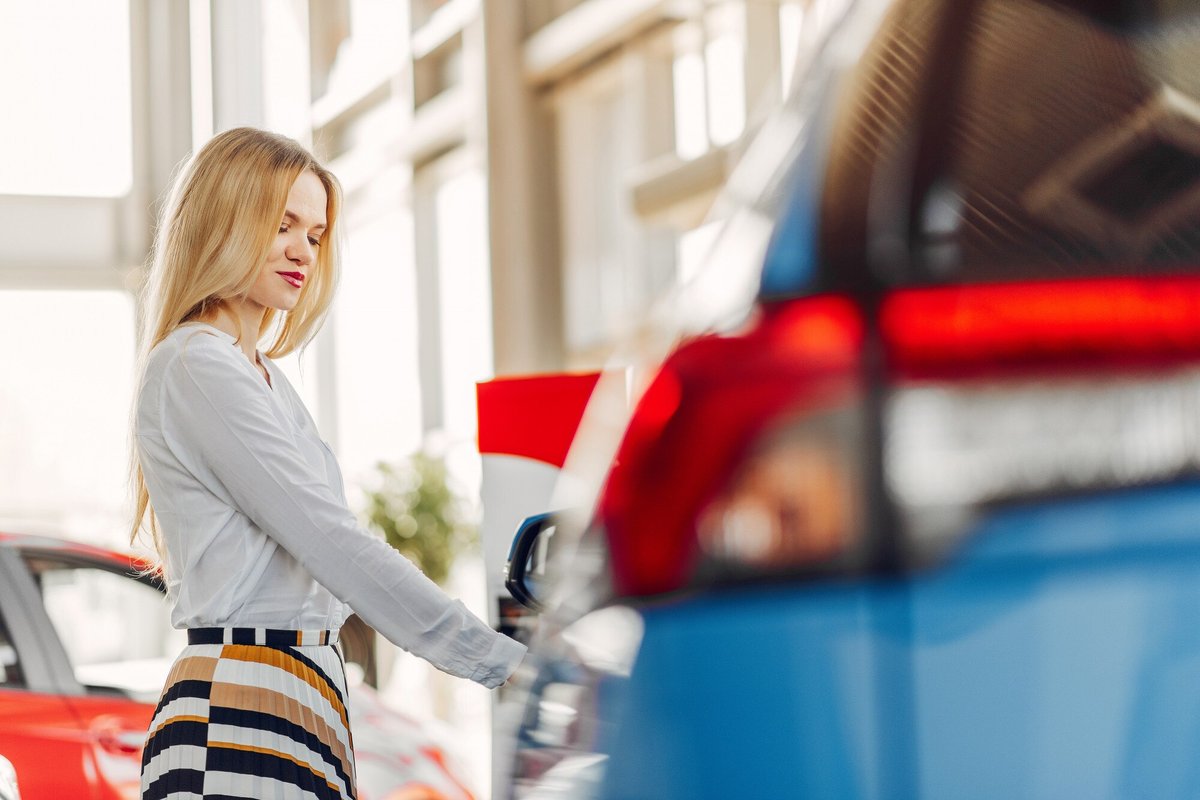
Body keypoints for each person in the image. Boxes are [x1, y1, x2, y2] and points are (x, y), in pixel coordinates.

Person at [129, 127, 526, 800]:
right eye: (281, 224)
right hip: (241, 704)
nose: (301, 251)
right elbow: (329, 540)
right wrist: (498, 661)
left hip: (297, 693)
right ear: (225, 220)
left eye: (314, 234)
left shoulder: (263, 379)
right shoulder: (197, 364)